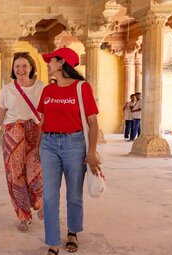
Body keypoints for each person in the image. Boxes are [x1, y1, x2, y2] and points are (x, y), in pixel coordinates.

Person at [36, 48, 101, 255]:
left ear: (62, 62)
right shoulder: (47, 90)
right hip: (48, 144)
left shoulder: (82, 88)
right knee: (49, 196)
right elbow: (42, 122)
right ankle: (53, 242)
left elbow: (93, 123)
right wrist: (38, 146)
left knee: (73, 194)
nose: (48, 64)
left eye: (51, 60)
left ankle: (72, 232)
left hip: (74, 144)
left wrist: (91, 152)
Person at [0, 52, 44, 232]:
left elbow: (47, 115)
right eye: (17, 66)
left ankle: (40, 202)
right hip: (13, 134)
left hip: (35, 132)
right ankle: (23, 215)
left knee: (36, 170)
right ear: (13, 69)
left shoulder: (41, 87)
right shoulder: (7, 90)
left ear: (31, 67)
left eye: (24, 66)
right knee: (15, 175)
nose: (20, 70)